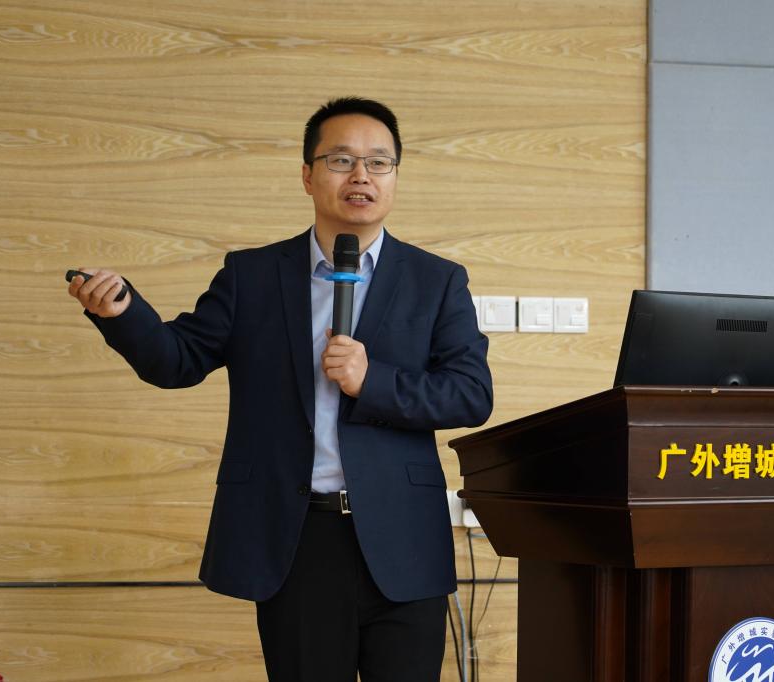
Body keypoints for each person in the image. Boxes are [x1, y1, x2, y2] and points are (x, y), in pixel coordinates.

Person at [67, 97, 493, 681]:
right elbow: (177, 361)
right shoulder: (252, 276)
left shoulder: (437, 280)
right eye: (341, 160)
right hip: (295, 537)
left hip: (404, 537)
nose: (361, 175)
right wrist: (122, 315)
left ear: (395, 177)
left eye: (378, 162)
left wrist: (372, 380)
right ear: (308, 176)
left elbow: (470, 394)